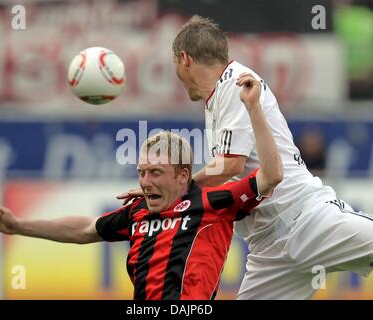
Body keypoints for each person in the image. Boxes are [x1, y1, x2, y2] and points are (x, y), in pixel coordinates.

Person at [118, 15, 373, 300]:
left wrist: (174, 190)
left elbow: (230, 165)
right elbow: (224, 170)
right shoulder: (215, 97)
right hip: (268, 248)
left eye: (175, 63)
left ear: (184, 59)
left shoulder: (235, 84)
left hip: (305, 219)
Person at [0, 76, 283, 300]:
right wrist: (18, 226)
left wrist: (254, 107)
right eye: (141, 172)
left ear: (182, 176)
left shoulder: (215, 203)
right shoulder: (137, 211)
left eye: (155, 172)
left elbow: (271, 174)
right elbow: (85, 229)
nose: (145, 181)